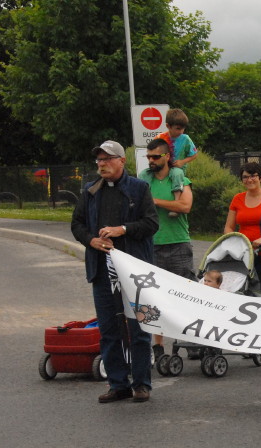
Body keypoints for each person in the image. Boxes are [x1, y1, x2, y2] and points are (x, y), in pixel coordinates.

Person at [71, 140, 158, 403]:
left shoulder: (139, 188)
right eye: (99, 160)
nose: (102, 164)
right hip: (101, 271)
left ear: (122, 161)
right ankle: (118, 383)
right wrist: (91, 241)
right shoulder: (90, 191)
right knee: (108, 329)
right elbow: (77, 223)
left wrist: (123, 230)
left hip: (134, 272)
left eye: (107, 159)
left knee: (138, 328)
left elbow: (151, 223)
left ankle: (141, 383)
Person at [138, 138, 195, 358]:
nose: (151, 161)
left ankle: (189, 343)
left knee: (185, 296)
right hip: (151, 245)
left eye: (155, 157)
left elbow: (185, 206)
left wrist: (155, 202)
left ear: (166, 157)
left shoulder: (180, 178)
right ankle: (157, 347)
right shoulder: (144, 179)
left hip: (178, 243)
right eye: (148, 157)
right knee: (152, 299)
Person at [224, 162, 261, 297]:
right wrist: (235, 242)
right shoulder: (238, 199)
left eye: (253, 176)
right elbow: (229, 226)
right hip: (242, 256)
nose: (249, 180)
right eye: (245, 177)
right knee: (241, 292)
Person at [157, 108, 198, 172]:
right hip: (162, 168)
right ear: (168, 126)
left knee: (176, 174)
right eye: (178, 129)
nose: (181, 132)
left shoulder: (185, 139)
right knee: (145, 173)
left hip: (178, 169)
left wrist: (182, 162)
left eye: (183, 128)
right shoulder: (159, 138)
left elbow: (194, 155)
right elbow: (155, 154)